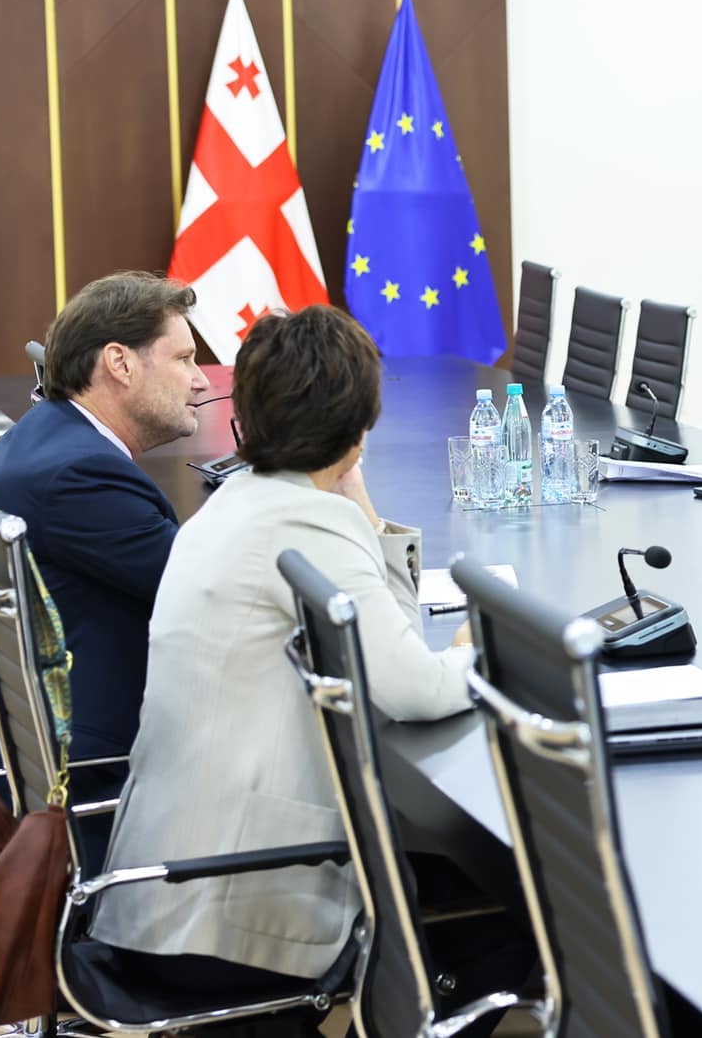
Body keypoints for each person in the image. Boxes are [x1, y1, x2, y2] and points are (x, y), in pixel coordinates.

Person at [92, 304, 486, 1010]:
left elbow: (385, 635)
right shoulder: (304, 520)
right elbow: (418, 691)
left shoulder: (238, 502)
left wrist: (353, 489)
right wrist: (477, 655)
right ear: (361, 426)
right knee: (513, 918)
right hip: (233, 912)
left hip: (161, 889)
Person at [0, 271, 208, 767]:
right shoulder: (81, 476)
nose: (200, 379)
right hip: (77, 755)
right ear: (119, 363)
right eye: (184, 359)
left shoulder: (50, 433)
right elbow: (208, 593)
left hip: (18, 723)